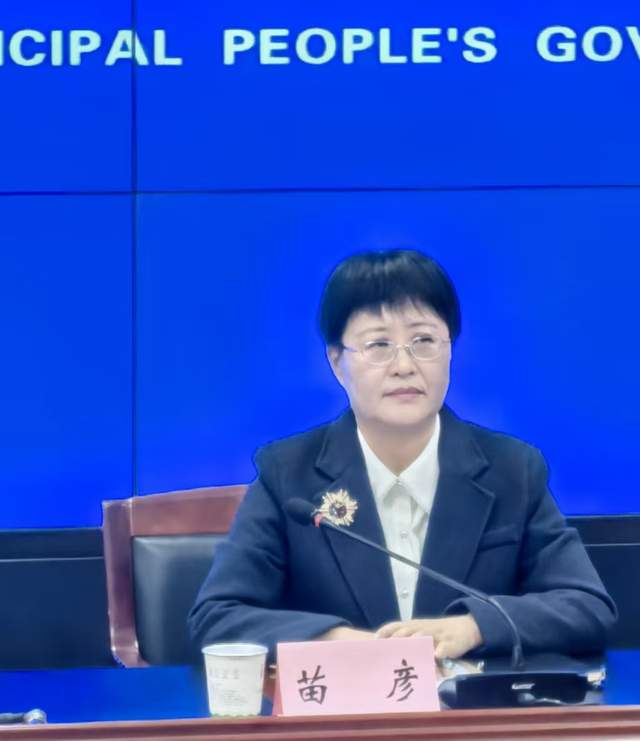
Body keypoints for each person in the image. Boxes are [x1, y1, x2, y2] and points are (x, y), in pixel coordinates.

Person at [188, 249, 616, 662]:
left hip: (471, 710)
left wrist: (474, 627)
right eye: (378, 345)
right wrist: (337, 643)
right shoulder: (288, 474)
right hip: (343, 708)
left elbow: (587, 606)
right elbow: (218, 616)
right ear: (337, 362)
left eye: (423, 341)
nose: (404, 366)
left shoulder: (512, 470)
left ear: (450, 351)